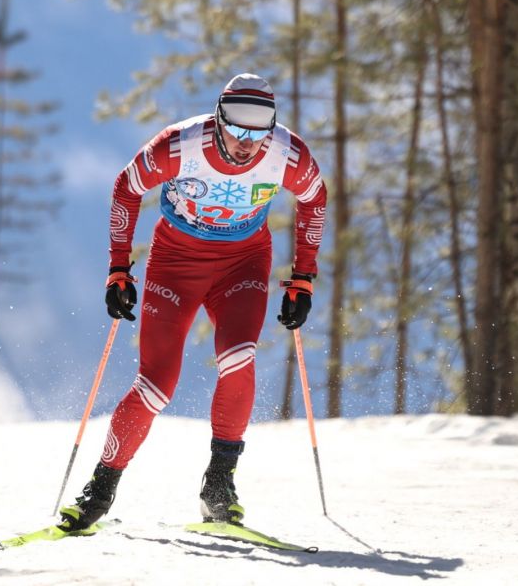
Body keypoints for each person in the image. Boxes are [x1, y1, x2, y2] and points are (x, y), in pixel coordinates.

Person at [59, 73, 327, 530]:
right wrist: (118, 269)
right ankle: (100, 489)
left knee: (240, 358)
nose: (246, 143)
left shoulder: (288, 155)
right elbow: (126, 188)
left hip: (243, 262)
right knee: (156, 384)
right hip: (175, 263)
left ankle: (219, 484)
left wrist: (303, 277)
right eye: (237, 130)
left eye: (258, 133)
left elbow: (315, 200)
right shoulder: (180, 146)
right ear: (218, 119)